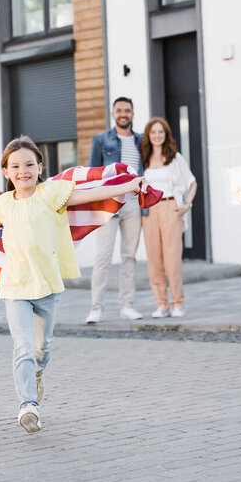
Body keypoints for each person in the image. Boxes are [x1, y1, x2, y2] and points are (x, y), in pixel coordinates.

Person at [0, 135, 143, 434]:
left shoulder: (52, 193)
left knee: (42, 349)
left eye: (28, 164)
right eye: (15, 166)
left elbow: (92, 194)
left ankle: (37, 374)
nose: (22, 170)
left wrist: (126, 186)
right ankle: (28, 406)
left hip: (48, 285)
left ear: (39, 167)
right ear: (6, 172)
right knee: (22, 347)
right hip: (15, 286)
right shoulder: (1, 205)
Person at [86, 97, 144, 324]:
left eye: (127, 110)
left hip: (133, 204)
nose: (123, 114)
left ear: (132, 113)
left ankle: (127, 306)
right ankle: (96, 308)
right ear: (113, 114)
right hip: (108, 204)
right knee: (103, 257)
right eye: (119, 110)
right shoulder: (101, 140)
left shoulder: (141, 141)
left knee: (129, 256)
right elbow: (93, 175)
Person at [141, 117, 197, 318]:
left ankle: (178, 303)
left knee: (172, 260)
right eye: (154, 132)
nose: (157, 135)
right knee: (154, 260)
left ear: (166, 135)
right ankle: (162, 304)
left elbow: (192, 183)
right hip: (150, 212)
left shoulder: (175, 158)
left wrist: (186, 204)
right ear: (149, 135)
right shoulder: (144, 159)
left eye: (161, 132)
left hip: (171, 207)